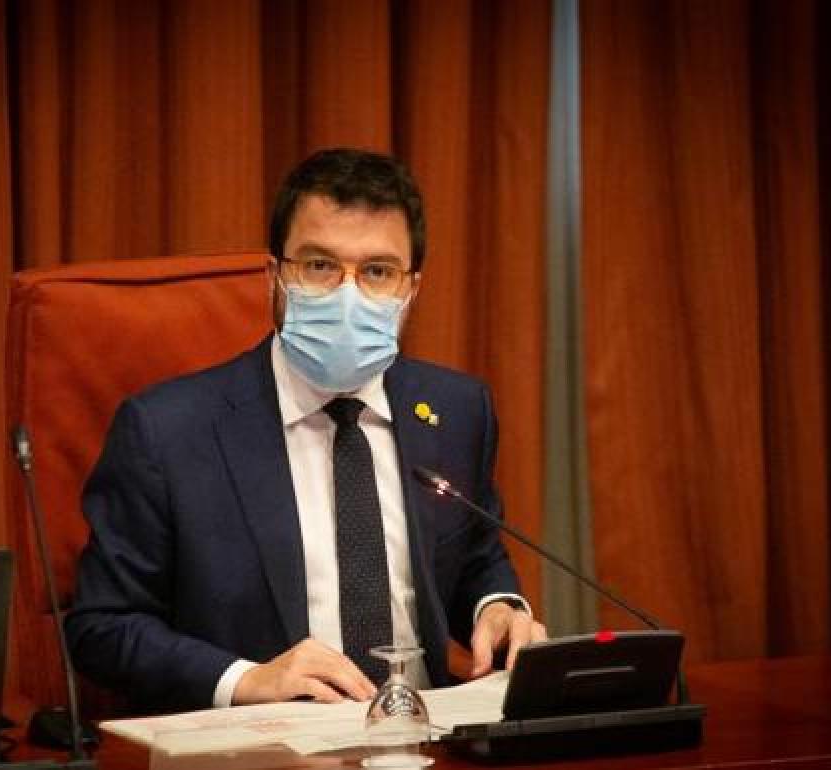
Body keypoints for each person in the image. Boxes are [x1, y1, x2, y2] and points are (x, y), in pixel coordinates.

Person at [65, 147, 546, 714]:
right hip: (261, 740)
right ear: (276, 276)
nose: (347, 294)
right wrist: (246, 680)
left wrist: (496, 605)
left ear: (411, 289)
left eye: (377, 272)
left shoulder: (457, 410)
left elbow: (475, 558)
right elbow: (102, 626)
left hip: (421, 733)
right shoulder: (168, 432)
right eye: (319, 266)